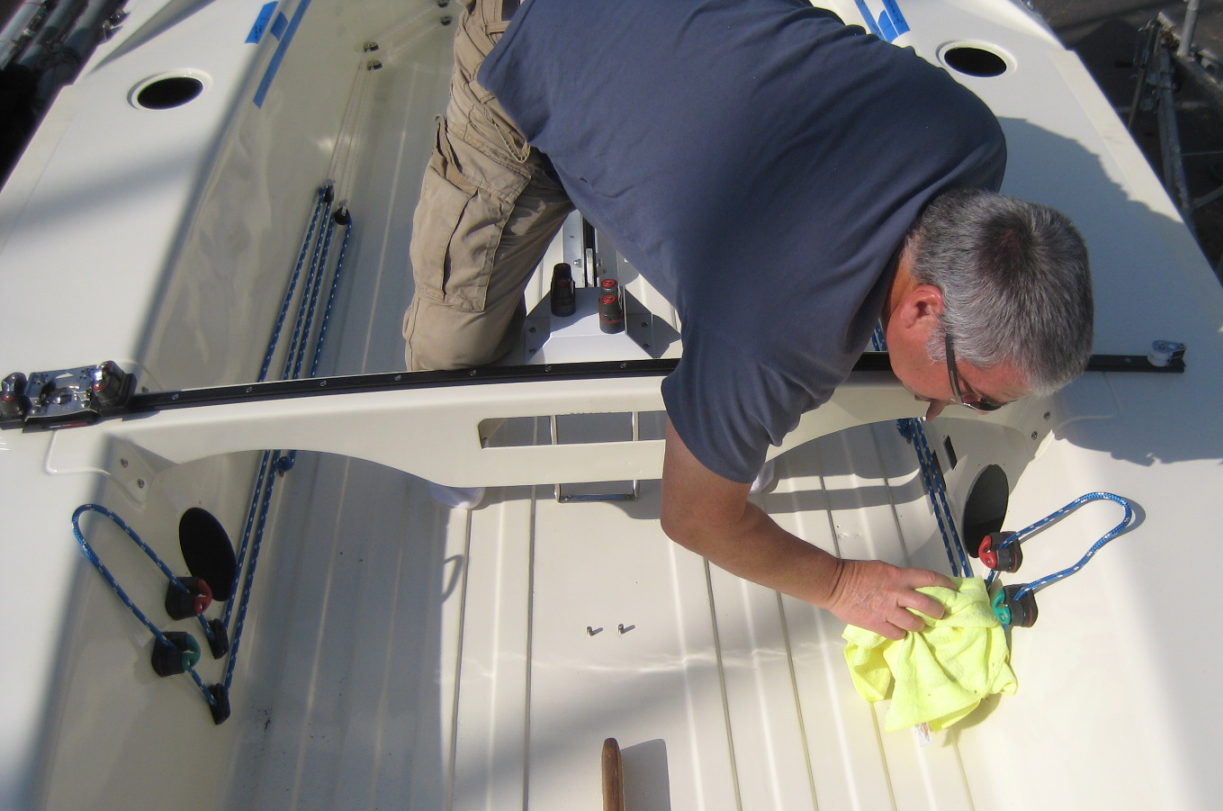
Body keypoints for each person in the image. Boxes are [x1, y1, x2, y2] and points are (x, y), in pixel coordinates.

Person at [404, 0, 1093, 640]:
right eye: (969, 391)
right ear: (923, 306)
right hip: (532, 27)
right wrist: (842, 582)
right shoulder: (774, 338)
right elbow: (697, 518)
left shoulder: (973, 137)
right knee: (448, 363)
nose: (951, 405)